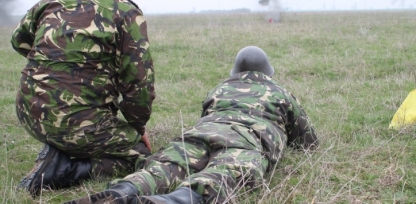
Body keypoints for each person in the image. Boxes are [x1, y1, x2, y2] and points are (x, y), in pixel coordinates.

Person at [65, 46, 318, 204]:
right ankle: (178, 200)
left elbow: (205, 112)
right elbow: (308, 141)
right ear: (267, 72)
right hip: (245, 139)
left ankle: (125, 189)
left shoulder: (220, 88)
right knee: (224, 174)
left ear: (236, 71)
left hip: (201, 132)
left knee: (167, 166)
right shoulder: (281, 93)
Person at [11, 0, 155, 197]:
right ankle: (61, 170)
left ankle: (60, 147)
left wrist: (54, 64)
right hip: (74, 122)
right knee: (139, 156)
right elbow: (138, 84)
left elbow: (19, 40)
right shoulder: (125, 11)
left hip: (29, 113)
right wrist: (138, 127)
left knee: (79, 129)